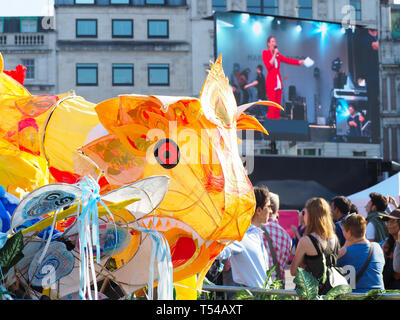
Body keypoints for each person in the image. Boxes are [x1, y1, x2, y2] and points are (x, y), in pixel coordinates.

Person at [217, 186, 271, 290]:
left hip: (261, 295)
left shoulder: (255, 234)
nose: (271, 211)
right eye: (268, 207)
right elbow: (219, 252)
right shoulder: (240, 235)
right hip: (251, 296)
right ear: (259, 210)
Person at [290, 197, 340, 294]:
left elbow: (293, 271)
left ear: (310, 215)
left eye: (305, 213)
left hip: (312, 293)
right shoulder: (334, 238)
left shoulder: (305, 241)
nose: (303, 216)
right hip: (330, 292)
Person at [337, 214, 385, 293]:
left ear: (349, 233)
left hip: (355, 296)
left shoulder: (344, 252)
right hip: (378, 295)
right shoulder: (377, 248)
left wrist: (345, 245)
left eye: (343, 230)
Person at [262, 36, 305, 119]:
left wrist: (299, 62)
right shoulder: (265, 53)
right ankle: (270, 125)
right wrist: (274, 54)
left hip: (278, 82)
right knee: (272, 105)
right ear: (268, 44)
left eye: (275, 41)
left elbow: (287, 60)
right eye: (272, 41)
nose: (274, 43)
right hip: (271, 82)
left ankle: (276, 125)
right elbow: (268, 65)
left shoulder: (278, 55)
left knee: (278, 106)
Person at [261, 192, 292, 287]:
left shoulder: (255, 231)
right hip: (277, 289)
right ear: (277, 210)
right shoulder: (286, 236)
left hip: (259, 288)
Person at [381, 210, 400, 289]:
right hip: (388, 288)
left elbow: (397, 268)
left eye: (392, 221)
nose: (389, 224)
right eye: (388, 221)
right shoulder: (386, 245)